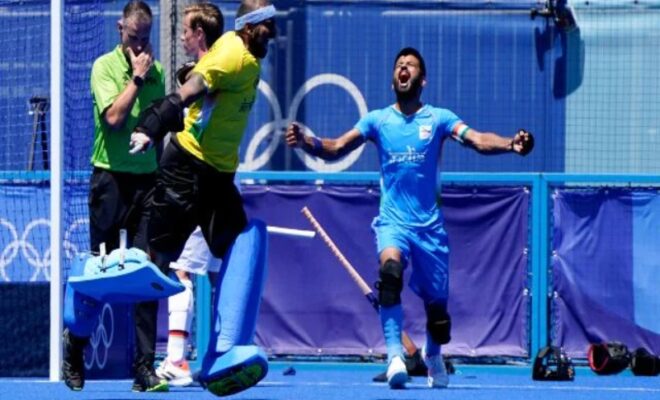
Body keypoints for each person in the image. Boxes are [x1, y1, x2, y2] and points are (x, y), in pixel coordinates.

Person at [285, 47, 534, 390]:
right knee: (390, 274)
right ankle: (394, 358)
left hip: (430, 229)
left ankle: (433, 357)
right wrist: (308, 141)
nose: (403, 68)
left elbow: (477, 140)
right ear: (393, 79)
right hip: (393, 223)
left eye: (411, 65)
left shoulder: (439, 119)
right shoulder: (377, 121)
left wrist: (509, 144)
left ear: (422, 79)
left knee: (439, 316)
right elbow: (336, 146)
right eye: (399, 65)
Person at [129, 0, 277, 395]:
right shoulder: (230, 54)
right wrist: (150, 127)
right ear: (248, 25)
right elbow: (186, 93)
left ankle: (221, 355)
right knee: (155, 262)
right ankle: (144, 364)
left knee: (242, 245)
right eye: (266, 25)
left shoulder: (249, 55)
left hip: (217, 175)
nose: (272, 32)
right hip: (186, 168)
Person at [61, 0, 168, 393]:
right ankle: (75, 348)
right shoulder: (104, 67)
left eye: (145, 40)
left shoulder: (157, 72)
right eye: (133, 38)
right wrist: (136, 79)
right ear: (120, 29)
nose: (140, 48)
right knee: (97, 278)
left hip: (147, 184)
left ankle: (144, 368)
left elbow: (159, 122)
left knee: (146, 274)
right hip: (109, 182)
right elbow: (114, 119)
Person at [154, 2, 224, 387]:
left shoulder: (208, 72)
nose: (181, 36)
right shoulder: (222, 69)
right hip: (215, 181)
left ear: (200, 34)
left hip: (197, 182)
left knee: (181, 270)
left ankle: (178, 360)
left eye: (185, 30)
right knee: (213, 275)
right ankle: (218, 356)